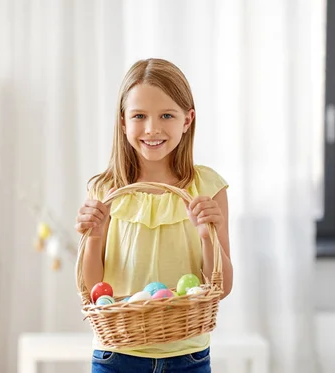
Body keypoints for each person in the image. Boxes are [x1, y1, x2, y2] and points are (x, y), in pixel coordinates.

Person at [75, 58, 234, 373]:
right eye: (139, 116)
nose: (152, 128)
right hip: (116, 356)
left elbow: (222, 286)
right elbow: (91, 290)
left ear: (187, 120)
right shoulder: (105, 190)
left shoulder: (208, 188)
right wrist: (94, 236)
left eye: (166, 115)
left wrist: (206, 234)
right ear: (123, 122)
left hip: (188, 356)